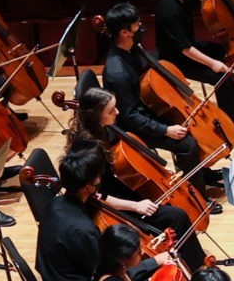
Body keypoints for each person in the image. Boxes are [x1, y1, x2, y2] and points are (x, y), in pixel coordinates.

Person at [63, 86, 195, 249]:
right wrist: (135, 206)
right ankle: (196, 266)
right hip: (104, 205)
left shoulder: (97, 129)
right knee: (177, 216)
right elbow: (93, 196)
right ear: (95, 115)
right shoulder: (89, 150)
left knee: (170, 210)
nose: (117, 112)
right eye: (111, 110)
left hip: (113, 190)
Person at [101, 3, 209, 174]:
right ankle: (197, 193)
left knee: (191, 127)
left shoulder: (132, 49)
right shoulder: (117, 73)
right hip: (134, 127)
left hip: (146, 109)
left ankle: (204, 175)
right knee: (187, 144)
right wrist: (165, 130)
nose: (141, 28)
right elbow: (130, 117)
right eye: (137, 25)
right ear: (125, 32)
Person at [32, 146, 110, 281]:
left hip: (57, 280)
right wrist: (153, 262)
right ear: (87, 188)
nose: (99, 181)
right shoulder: (83, 230)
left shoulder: (54, 203)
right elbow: (103, 273)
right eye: (97, 179)